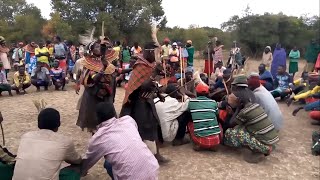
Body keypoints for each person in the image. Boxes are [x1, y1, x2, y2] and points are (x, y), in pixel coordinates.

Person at [81, 102, 159, 179]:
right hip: (153, 169)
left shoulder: (99, 137)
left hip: (132, 177)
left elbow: (88, 161)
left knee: (108, 164)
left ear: (97, 118)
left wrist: (80, 172)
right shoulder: (128, 121)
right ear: (114, 113)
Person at [121, 42, 168, 164]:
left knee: (155, 126)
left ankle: (157, 154)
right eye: (155, 53)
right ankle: (139, 157)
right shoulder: (140, 65)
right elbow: (141, 86)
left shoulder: (151, 65)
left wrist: (158, 94)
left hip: (149, 101)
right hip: (139, 103)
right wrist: (154, 74)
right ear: (148, 52)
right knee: (141, 130)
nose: (156, 56)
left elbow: (151, 85)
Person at [13, 108, 82, 180]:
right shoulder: (64, 141)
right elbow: (77, 160)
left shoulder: (26, 136)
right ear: (59, 124)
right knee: (77, 167)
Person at [76, 38, 124, 134]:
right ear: (91, 50)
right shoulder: (87, 62)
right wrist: (103, 70)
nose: (99, 48)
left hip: (106, 91)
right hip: (93, 93)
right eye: (96, 47)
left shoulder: (107, 60)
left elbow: (116, 70)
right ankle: (95, 132)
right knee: (93, 115)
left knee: (107, 111)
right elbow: (93, 79)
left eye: (100, 46)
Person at [224, 89, 279, 163]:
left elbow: (230, 124)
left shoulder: (245, 112)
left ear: (239, 102)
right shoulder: (256, 106)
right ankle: (260, 147)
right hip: (272, 140)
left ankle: (261, 149)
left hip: (266, 144)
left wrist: (231, 113)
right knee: (241, 128)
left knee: (229, 134)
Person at [188, 83, 222, 151]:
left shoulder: (191, 102)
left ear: (196, 93)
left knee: (189, 123)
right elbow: (217, 116)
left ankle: (199, 144)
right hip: (216, 141)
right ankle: (213, 145)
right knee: (218, 123)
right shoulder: (213, 102)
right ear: (207, 93)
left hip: (201, 141)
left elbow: (189, 114)